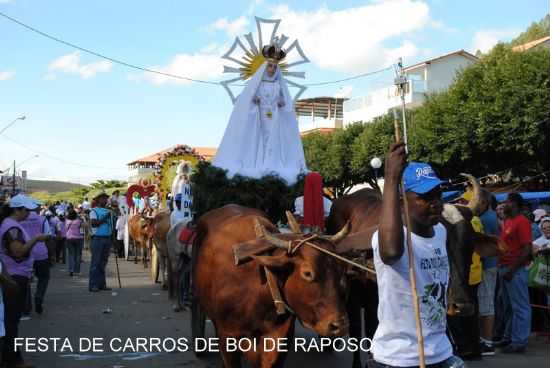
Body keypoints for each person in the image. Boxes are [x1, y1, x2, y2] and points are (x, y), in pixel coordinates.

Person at [369, 143, 461, 368]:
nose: (436, 203)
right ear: (402, 202)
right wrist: (390, 178)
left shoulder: (440, 232)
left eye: (438, 195)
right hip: (399, 357)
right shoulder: (391, 237)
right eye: (425, 197)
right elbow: (391, 253)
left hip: (441, 351)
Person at [212, 43, 307, 185]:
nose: (272, 69)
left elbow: (286, 103)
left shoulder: (278, 85)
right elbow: (245, 102)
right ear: (264, 66)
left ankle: (272, 164)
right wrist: (253, 100)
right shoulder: (256, 84)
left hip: (274, 119)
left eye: (275, 66)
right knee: (259, 139)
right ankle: (258, 163)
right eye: (270, 65)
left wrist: (282, 102)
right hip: (259, 118)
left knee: (273, 140)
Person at [0, 194, 50, 368]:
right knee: (11, 320)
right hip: (14, 277)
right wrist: (37, 239)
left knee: (11, 319)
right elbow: (18, 251)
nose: (29, 213)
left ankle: (9, 357)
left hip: (15, 275)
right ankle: (13, 360)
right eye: (26, 210)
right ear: (17, 210)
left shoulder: (10, 225)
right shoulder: (11, 227)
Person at [495, 192, 532, 353]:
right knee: (508, 307)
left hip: (514, 270)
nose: (504, 204)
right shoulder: (508, 221)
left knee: (520, 307)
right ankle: (509, 338)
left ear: (515, 204)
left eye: (507, 202)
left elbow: (527, 250)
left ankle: (519, 342)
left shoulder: (522, 221)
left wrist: (512, 270)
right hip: (506, 268)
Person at [19, 200, 51, 315]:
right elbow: (48, 235)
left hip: (24, 253)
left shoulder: (20, 220)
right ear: (36, 208)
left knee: (24, 280)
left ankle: (26, 307)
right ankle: (39, 296)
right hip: (41, 254)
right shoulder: (42, 219)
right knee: (44, 278)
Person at [88, 192, 113, 292]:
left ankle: (102, 284)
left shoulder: (108, 211)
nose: (105, 200)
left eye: (106, 198)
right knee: (95, 263)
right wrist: (105, 218)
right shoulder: (93, 211)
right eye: (103, 198)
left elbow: (111, 225)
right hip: (97, 239)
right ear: (98, 200)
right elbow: (94, 224)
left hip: (107, 238)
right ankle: (93, 285)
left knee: (103, 263)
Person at [65, 209, 84, 277]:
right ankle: (77, 270)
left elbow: (65, 229)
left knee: (71, 254)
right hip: (78, 238)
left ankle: (71, 270)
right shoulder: (79, 221)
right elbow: (83, 227)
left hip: (69, 238)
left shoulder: (67, 221)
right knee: (78, 255)